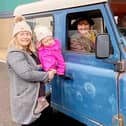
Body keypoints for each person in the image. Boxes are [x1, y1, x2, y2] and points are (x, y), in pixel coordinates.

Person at [6, 15, 56, 126]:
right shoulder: (14, 54)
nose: (25, 37)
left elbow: (36, 66)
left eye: (28, 34)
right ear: (15, 36)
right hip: (27, 99)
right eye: (22, 34)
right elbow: (27, 73)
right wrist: (47, 75)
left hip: (39, 98)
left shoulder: (30, 52)